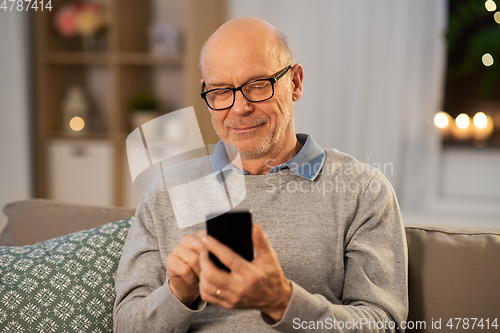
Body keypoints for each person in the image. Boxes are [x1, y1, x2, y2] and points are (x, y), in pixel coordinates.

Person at [114, 17, 408, 332]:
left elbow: (384, 324)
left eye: (257, 85)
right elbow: (126, 325)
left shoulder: (362, 191)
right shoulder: (165, 191)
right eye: (222, 91)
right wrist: (178, 295)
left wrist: (281, 301)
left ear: (295, 82)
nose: (239, 107)